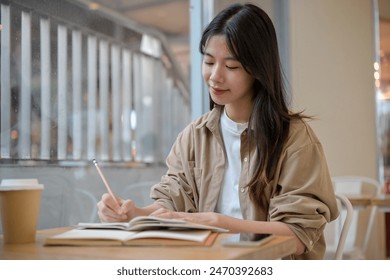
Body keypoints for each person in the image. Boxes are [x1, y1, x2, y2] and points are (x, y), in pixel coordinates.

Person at [97, 3, 339, 260]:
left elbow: (297, 235)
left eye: (231, 67)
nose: (215, 76)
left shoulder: (295, 139)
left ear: (258, 69)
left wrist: (216, 222)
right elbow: (172, 203)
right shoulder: (194, 136)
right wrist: (135, 214)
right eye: (209, 62)